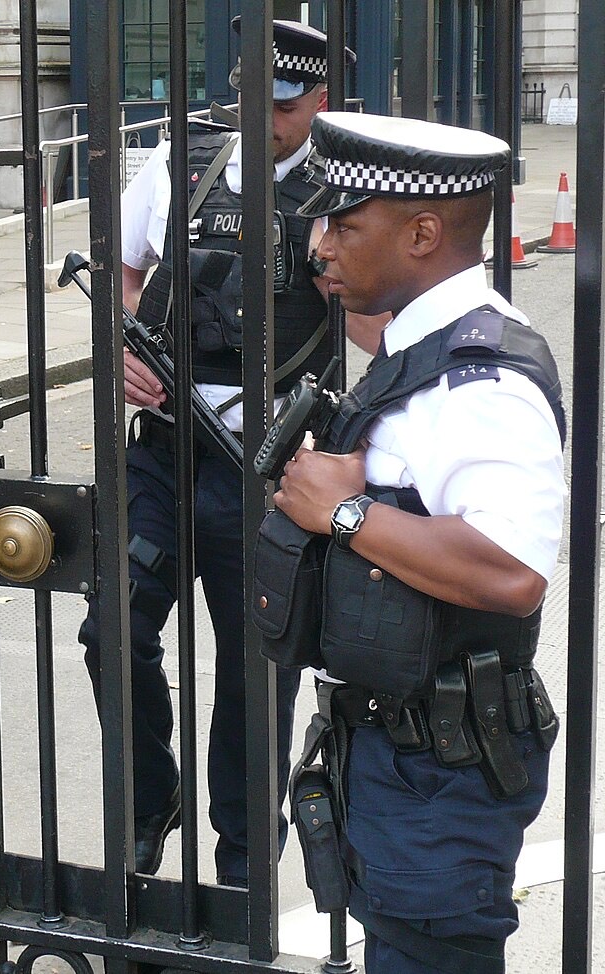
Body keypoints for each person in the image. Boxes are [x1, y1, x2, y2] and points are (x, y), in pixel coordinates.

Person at [271, 112, 563, 973]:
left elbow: (513, 572)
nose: (320, 245)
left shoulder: (486, 381)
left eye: (343, 225)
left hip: (444, 775)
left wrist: (346, 515)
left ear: (424, 232)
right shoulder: (419, 343)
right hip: (399, 760)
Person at [79, 18, 358, 881]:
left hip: (270, 472)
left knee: (254, 675)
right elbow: (126, 270)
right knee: (112, 627)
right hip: (166, 455)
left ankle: (244, 865)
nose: (258, 116)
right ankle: (149, 795)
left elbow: (379, 323)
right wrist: (124, 348)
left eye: (278, 104)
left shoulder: (339, 192)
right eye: (247, 96)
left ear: (317, 101)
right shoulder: (180, 165)